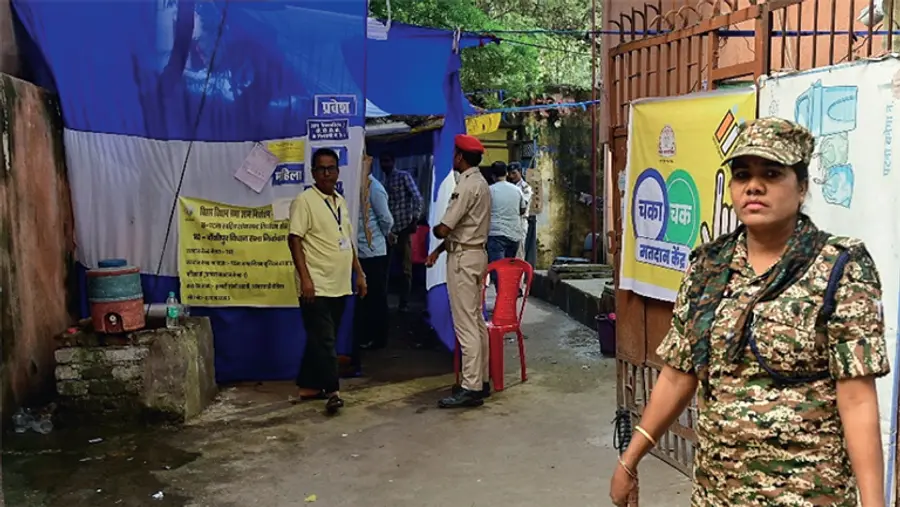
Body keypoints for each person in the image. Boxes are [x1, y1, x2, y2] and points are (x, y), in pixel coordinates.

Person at [609, 118, 890, 507]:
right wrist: (630, 459)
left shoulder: (840, 268)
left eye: (771, 174)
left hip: (808, 494)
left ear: (803, 186)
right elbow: (678, 374)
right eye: (742, 175)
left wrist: (873, 503)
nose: (753, 186)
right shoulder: (709, 267)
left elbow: (857, 399)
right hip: (718, 492)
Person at [288, 147, 368, 414]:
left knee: (320, 338)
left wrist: (359, 273)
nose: (326, 173)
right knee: (325, 340)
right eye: (321, 168)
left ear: (337, 171)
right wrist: (305, 278)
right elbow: (295, 240)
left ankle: (309, 387)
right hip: (317, 284)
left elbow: (348, 241)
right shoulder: (304, 201)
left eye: (331, 168)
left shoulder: (340, 202)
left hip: (339, 284)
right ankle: (333, 390)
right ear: (313, 172)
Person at [425, 134, 492, 409]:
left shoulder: (465, 187)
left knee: (465, 324)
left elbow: (446, 228)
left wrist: (435, 230)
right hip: (476, 254)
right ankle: (482, 380)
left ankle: (471, 386)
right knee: (476, 321)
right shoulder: (482, 184)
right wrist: (439, 251)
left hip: (463, 259)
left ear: (460, 157)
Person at [354, 164, 394, 355]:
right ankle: (368, 335)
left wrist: (383, 235)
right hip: (360, 251)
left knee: (376, 297)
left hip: (374, 252)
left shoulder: (375, 188)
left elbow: (386, 219)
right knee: (365, 298)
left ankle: (378, 339)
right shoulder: (356, 185)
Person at [381, 152, 424, 313]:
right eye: (382, 161)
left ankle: (404, 303)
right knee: (386, 267)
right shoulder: (383, 182)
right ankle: (384, 302)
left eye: (387, 161)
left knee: (406, 268)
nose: (384, 164)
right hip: (390, 231)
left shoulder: (403, 176)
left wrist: (415, 219)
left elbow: (417, 198)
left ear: (393, 161)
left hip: (404, 228)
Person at [486, 161, 526, 285]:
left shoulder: (489, 190)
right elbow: (522, 209)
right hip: (514, 235)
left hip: (496, 234)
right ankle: (509, 296)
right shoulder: (517, 190)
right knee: (508, 269)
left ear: (493, 176)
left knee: (498, 270)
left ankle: (503, 298)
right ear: (506, 173)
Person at [507, 162, 532, 259]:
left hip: (520, 221)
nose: (511, 176)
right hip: (509, 222)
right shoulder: (509, 186)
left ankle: (520, 274)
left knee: (519, 251)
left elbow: (522, 206)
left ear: (520, 172)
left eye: (514, 173)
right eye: (510, 173)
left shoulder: (525, 188)